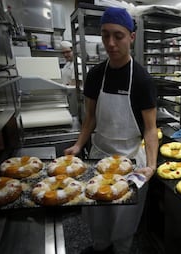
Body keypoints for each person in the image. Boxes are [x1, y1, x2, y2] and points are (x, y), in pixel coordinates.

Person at [64, 7, 158, 254]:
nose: (110, 43)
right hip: (99, 156)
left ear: (131, 37)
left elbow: (150, 129)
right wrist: (77, 145)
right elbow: (90, 119)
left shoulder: (142, 80)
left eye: (118, 35)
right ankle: (100, 246)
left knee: (124, 219)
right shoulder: (95, 75)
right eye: (105, 35)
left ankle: (122, 249)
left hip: (131, 162)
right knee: (98, 216)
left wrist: (151, 164)